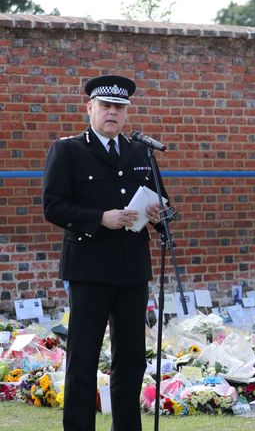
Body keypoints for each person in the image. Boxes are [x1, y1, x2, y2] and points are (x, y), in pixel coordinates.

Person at [43, 75, 167, 431]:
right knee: (83, 359)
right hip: (90, 269)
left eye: (119, 108)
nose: (112, 113)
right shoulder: (68, 150)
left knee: (130, 362)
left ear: (127, 114)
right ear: (90, 109)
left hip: (132, 271)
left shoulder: (140, 150)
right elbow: (53, 207)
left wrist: (159, 214)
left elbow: (163, 200)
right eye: (106, 107)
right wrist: (101, 218)